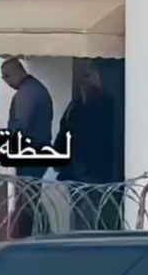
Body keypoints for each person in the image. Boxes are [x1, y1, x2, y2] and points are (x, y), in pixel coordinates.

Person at [53, 58, 124, 231]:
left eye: (90, 75)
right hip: (80, 173)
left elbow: (94, 136)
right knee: (82, 217)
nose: (87, 81)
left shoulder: (107, 104)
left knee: (95, 220)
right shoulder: (79, 104)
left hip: (96, 174)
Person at [1, 57, 54, 238]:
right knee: (31, 198)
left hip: (31, 155)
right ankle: (40, 234)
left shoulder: (27, 94)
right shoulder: (34, 89)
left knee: (28, 200)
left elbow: (20, 127)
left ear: (14, 73)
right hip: (36, 153)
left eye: (6, 77)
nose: (6, 82)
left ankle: (35, 236)